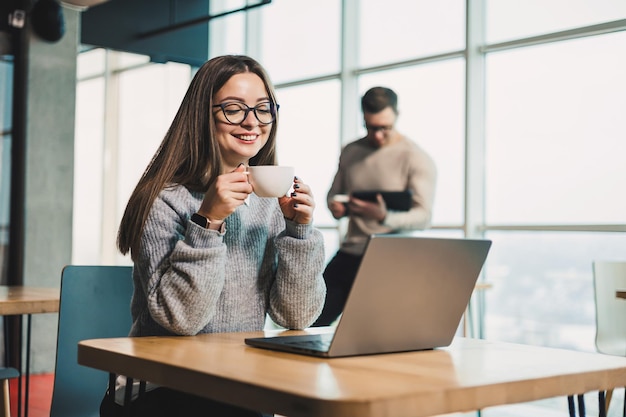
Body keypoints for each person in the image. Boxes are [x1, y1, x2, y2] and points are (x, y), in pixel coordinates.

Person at [100, 55, 326, 417]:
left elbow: (295, 317)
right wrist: (208, 222)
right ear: (202, 115)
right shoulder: (163, 199)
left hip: (237, 384)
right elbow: (180, 321)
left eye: (264, 109)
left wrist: (300, 232)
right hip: (161, 389)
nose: (252, 121)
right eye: (234, 109)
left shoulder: (267, 204)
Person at [312, 86, 437, 327]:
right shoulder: (351, 151)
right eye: (371, 128)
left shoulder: (415, 157)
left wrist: (384, 216)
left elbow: (424, 217)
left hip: (391, 258)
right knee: (311, 319)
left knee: (373, 331)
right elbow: (334, 194)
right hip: (351, 252)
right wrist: (336, 207)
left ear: (397, 116)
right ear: (363, 119)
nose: (378, 135)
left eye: (385, 128)